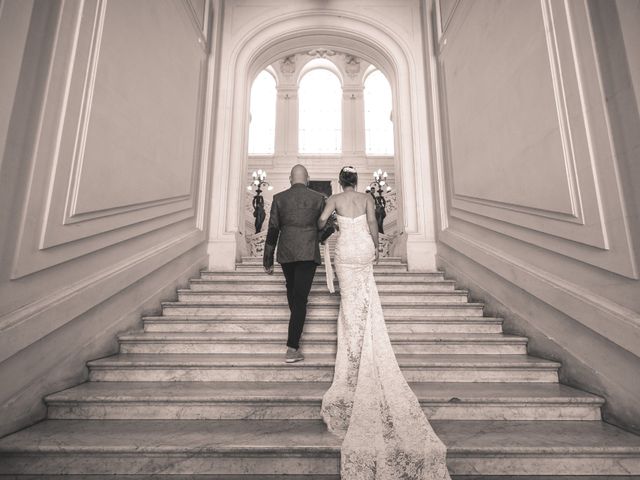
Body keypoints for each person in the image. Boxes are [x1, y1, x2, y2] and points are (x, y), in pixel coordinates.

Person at [317, 166, 451, 479]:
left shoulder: (334, 198)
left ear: (340, 182)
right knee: (365, 293)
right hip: (362, 248)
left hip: (344, 249)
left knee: (350, 299)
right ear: (357, 182)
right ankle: (367, 331)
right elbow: (375, 224)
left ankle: (353, 338)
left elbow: (321, 222)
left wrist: (334, 222)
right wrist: (375, 247)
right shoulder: (365, 199)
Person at [263, 164, 334, 363]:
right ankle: (292, 348)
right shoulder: (318, 198)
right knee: (300, 298)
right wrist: (319, 237)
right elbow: (329, 226)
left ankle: (293, 338)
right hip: (307, 252)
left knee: (294, 293)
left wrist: (267, 260)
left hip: (286, 251)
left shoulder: (278, 198)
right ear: (308, 178)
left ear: (289, 178)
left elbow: (272, 230)